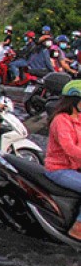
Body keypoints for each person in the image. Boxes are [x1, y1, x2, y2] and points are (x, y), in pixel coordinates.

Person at [44, 80, 81, 239]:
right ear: (74, 101)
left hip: (75, 168)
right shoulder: (61, 120)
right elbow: (69, 148)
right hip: (59, 169)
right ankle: (77, 228)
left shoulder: (78, 119)